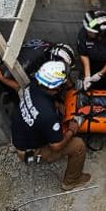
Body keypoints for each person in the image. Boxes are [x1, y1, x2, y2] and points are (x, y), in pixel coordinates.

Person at [11, 60, 91, 191]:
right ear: (54, 88)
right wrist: (72, 130)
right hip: (30, 153)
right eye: (62, 84)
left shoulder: (33, 86)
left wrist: (56, 104)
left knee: (57, 123)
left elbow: (43, 102)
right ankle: (72, 180)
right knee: (78, 145)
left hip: (21, 140)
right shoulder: (47, 115)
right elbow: (56, 146)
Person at [0, 40, 74, 93]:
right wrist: (21, 89)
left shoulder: (53, 50)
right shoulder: (29, 61)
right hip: (14, 69)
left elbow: (63, 72)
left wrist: (71, 86)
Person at [76, 10, 106, 90]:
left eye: (91, 32)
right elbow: (83, 54)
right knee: (94, 86)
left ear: (101, 33)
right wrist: (87, 75)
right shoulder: (84, 34)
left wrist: (100, 74)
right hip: (93, 62)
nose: (88, 32)